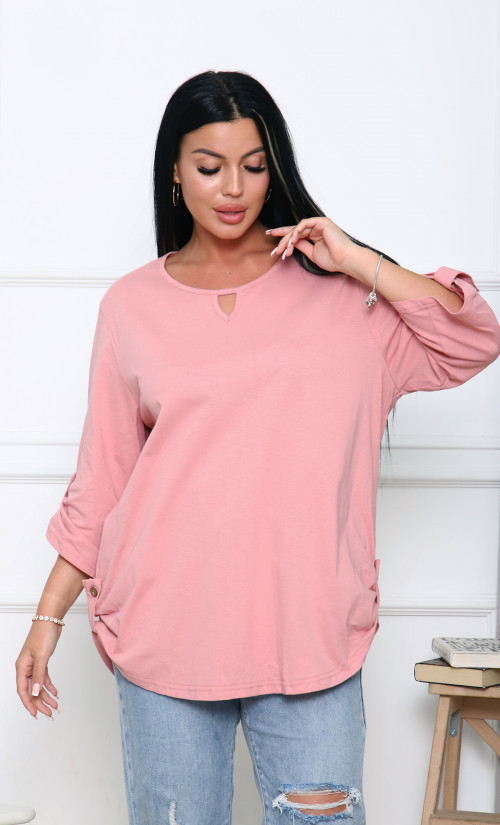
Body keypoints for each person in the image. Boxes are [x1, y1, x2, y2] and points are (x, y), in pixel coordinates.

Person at [15, 70, 500, 825]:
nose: (234, 188)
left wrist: (357, 259)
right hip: (164, 636)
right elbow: (103, 480)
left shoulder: (348, 300)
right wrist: (46, 619)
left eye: (254, 164)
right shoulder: (131, 306)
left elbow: (472, 340)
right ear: (175, 174)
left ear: (275, 169)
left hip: (309, 641)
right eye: (210, 166)